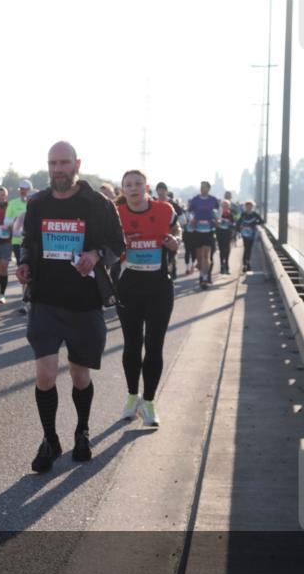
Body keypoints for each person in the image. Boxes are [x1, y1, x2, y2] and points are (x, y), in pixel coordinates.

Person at [17, 141, 124, 473]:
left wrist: (95, 255)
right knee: (46, 375)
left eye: (63, 163)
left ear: (76, 163)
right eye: (52, 163)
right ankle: (50, 439)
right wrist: (24, 264)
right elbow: (28, 242)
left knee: (80, 377)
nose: (57, 170)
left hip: (84, 303)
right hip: (46, 302)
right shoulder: (37, 203)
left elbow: (117, 244)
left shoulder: (98, 203)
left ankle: (82, 430)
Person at [115, 170, 180, 427]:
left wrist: (176, 240)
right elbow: (106, 244)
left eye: (138, 184)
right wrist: (121, 242)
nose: (133, 188)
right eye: (128, 185)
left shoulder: (164, 209)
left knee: (154, 346)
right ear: (123, 190)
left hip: (159, 288)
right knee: (132, 344)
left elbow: (177, 229)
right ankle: (133, 397)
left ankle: (149, 402)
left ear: (147, 187)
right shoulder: (116, 214)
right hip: (128, 287)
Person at [187, 181, 219, 288]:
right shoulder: (195, 199)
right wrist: (192, 220)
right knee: (199, 257)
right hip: (197, 231)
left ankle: (204, 277)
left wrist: (216, 219)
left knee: (206, 255)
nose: (202, 189)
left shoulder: (213, 200)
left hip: (209, 231)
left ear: (209, 189)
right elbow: (189, 212)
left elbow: (218, 212)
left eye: (204, 187)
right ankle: (202, 273)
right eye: (201, 187)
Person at [8, 180, 32, 314]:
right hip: (19, 243)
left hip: (37, 245)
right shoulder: (13, 204)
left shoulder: (41, 205)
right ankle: (25, 302)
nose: (23, 191)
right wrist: (18, 220)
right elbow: (8, 223)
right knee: (25, 270)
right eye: (21, 189)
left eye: (25, 189)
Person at [154, 182, 182, 279]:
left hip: (171, 236)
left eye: (163, 190)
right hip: (157, 237)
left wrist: (176, 234)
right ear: (156, 191)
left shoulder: (173, 204)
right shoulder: (153, 203)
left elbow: (182, 220)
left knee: (171, 257)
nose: (161, 192)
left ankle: (172, 269)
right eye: (159, 190)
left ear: (166, 191)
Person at [237, 200, 264, 272]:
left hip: (252, 233)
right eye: (247, 206)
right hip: (245, 233)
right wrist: (238, 231)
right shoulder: (243, 214)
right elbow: (238, 222)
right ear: (245, 207)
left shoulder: (255, 214)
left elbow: (261, 221)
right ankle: (245, 264)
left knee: (249, 248)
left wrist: (255, 223)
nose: (248, 207)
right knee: (246, 248)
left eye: (250, 206)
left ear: (252, 207)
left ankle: (247, 263)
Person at [215, 197, 235, 275]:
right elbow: (215, 223)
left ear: (229, 206)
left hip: (228, 234)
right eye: (223, 205)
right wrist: (218, 223)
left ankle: (226, 264)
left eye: (226, 205)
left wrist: (231, 224)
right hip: (220, 233)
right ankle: (221, 266)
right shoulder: (219, 214)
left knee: (227, 250)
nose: (225, 207)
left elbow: (233, 224)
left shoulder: (230, 214)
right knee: (221, 250)